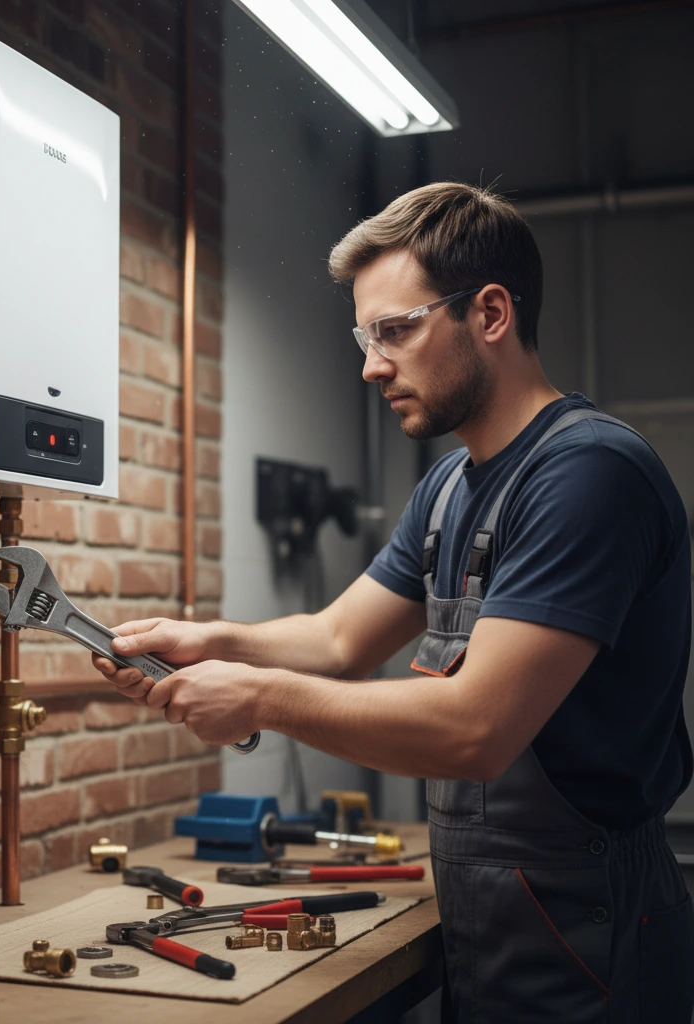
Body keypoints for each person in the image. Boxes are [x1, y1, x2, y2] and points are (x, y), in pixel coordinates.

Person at [92, 182, 694, 1022]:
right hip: (491, 917)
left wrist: (258, 697)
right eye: (364, 335)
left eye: (395, 331)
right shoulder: (449, 488)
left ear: (490, 313)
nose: (372, 364)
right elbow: (339, 638)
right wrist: (210, 641)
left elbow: (476, 729)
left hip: (593, 930)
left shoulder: (588, 477)